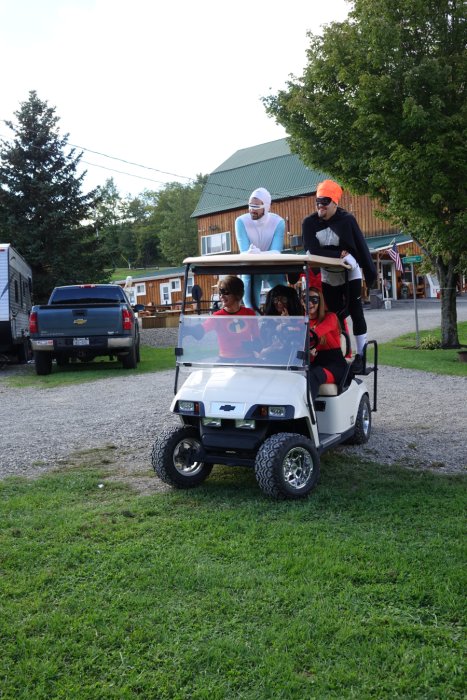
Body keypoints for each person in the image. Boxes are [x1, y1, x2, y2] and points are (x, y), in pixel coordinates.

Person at [302, 179, 376, 373]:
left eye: (325, 202)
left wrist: (371, 276)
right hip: (329, 272)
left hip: (350, 270)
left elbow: (361, 247)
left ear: (335, 202)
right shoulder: (309, 223)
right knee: (334, 314)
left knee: (355, 311)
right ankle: (337, 353)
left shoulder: (347, 220)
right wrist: (337, 254)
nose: (321, 207)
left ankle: (361, 356)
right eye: (318, 202)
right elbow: (312, 251)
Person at [235, 187, 286, 310]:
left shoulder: (278, 222)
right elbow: (245, 252)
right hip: (250, 268)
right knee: (251, 308)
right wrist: (255, 254)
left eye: (257, 207)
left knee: (285, 301)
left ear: (267, 207)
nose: (252, 210)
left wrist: (257, 254)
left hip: (273, 267)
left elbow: (276, 251)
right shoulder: (241, 221)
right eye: (250, 206)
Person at [198, 275, 259, 361]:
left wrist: (253, 345)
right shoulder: (217, 316)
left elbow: (257, 339)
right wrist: (189, 330)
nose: (221, 296)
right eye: (220, 293)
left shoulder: (249, 314)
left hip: (247, 360)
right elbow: (201, 329)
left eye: (225, 292)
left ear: (237, 293)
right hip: (225, 361)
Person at [308, 286, 348, 401]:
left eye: (314, 300)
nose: (310, 303)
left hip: (333, 365)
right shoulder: (302, 320)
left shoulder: (330, 317)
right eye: (306, 299)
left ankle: (309, 414)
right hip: (315, 363)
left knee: (313, 375)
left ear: (320, 301)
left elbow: (317, 333)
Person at [256, 285, 304, 362]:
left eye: (283, 300)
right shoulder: (264, 322)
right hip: (270, 362)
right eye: (275, 300)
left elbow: (299, 346)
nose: (279, 303)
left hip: (292, 362)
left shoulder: (300, 321)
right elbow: (260, 352)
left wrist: (288, 323)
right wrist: (272, 348)